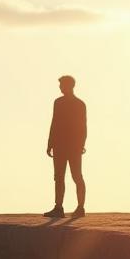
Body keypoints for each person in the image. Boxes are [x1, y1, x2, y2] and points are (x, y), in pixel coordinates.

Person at [45, 75, 86, 218]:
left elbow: (83, 126)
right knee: (59, 177)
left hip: (72, 146)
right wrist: (50, 143)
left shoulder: (80, 104)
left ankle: (80, 207)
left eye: (62, 85)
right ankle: (58, 207)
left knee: (76, 176)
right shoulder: (58, 102)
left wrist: (81, 144)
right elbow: (54, 123)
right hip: (59, 145)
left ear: (70, 86)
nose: (60, 87)